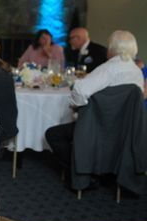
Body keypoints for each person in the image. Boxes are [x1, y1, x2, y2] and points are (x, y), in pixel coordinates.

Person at [45, 30, 144, 174]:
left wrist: (75, 107)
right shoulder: (137, 71)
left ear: (112, 48)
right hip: (125, 129)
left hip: (99, 127)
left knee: (53, 134)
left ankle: (80, 169)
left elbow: (80, 91)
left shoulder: (108, 68)